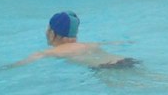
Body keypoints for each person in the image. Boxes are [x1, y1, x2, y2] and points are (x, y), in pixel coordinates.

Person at [9, 11, 139, 70]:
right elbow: (115, 43)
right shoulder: (88, 45)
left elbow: (22, 64)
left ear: (52, 33)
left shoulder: (49, 52)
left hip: (106, 68)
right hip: (124, 60)